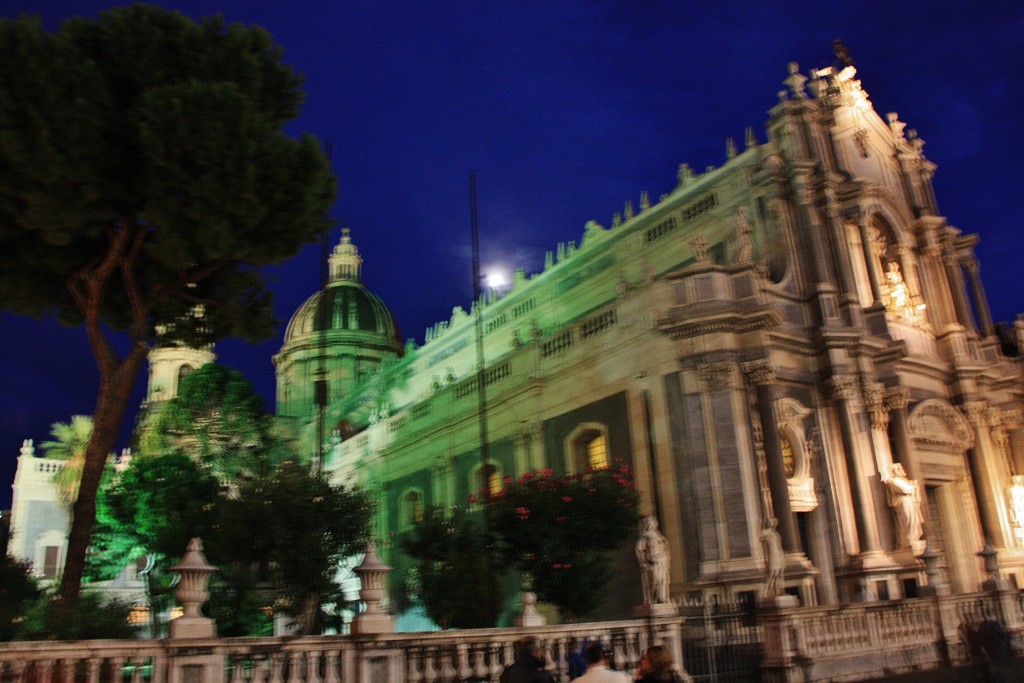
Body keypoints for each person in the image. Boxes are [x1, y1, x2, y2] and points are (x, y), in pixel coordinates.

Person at [884, 463, 923, 549]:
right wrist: (913, 487)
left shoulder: (904, 481)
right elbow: (904, 489)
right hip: (903, 502)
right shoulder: (892, 480)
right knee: (907, 520)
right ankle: (907, 540)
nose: (902, 470)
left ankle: (913, 538)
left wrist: (912, 487)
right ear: (895, 470)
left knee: (914, 521)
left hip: (909, 500)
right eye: (900, 469)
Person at [635, 516, 670, 605]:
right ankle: (652, 599)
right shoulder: (645, 536)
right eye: (652, 522)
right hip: (652, 562)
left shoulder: (659, 536)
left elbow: (665, 549)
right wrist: (643, 562)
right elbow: (639, 550)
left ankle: (662, 598)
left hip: (662, 561)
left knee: (663, 580)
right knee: (654, 581)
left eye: (654, 521)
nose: (655, 523)